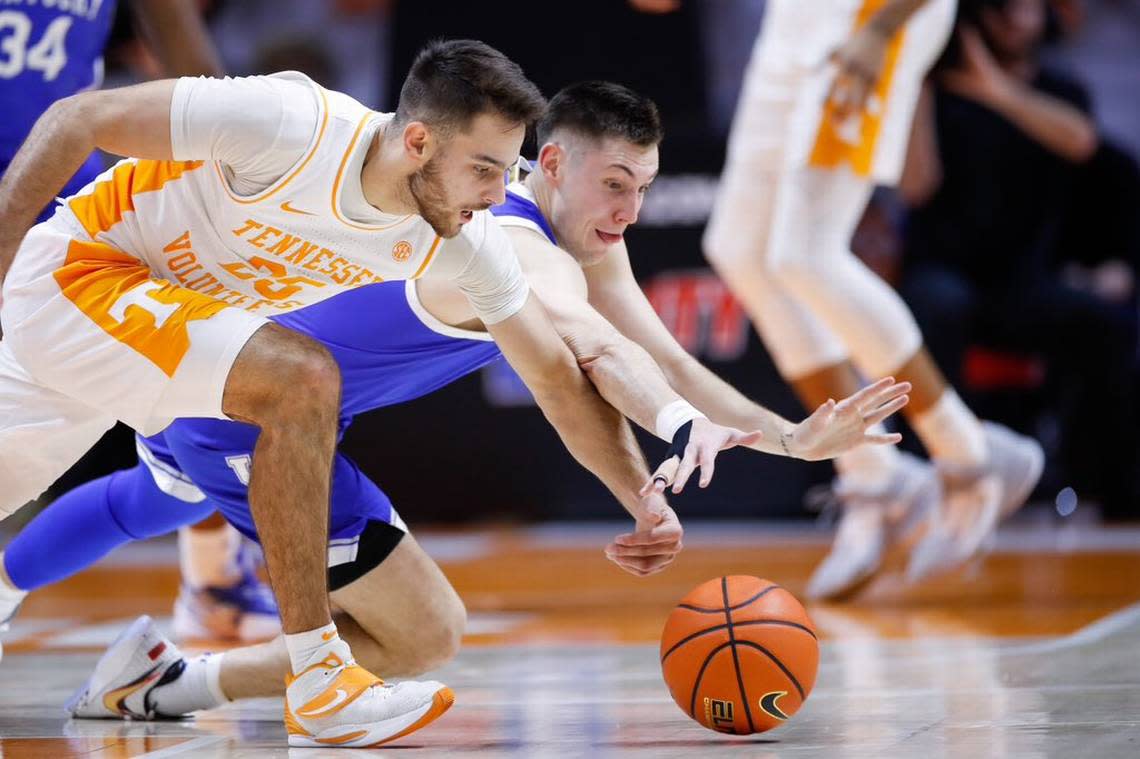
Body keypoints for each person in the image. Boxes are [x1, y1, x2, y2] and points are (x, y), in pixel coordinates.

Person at [5, 81, 909, 733]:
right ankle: (186, 684)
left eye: (645, 186)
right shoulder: (510, 241)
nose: (631, 210)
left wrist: (791, 439)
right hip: (257, 403)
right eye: (615, 185)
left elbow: (661, 356)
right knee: (423, 631)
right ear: (549, 164)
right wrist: (674, 427)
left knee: (148, 494)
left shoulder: (583, 244)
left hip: (247, 390)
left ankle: (107, 649)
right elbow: (598, 355)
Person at [697, 0, 1045, 596]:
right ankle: (875, 474)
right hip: (794, 22)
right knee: (740, 249)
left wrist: (883, 28)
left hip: (869, 19)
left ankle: (969, 454)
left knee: (806, 253)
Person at [0, 0, 277, 643]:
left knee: (212, 399)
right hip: (38, 199)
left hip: (63, 196)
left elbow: (201, 79)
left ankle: (214, 582)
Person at [899, 0, 1136, 519]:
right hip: (943, 273)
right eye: (1002, 9)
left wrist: (996, 90)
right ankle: (928, 482)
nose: (1015, 20)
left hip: (1021, 281)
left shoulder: (1059, 90)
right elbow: (916, 186)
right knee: (934, 308)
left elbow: (1082, 141)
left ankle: (1114, 492)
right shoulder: (932, 92)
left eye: (1026, 8)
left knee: (1108, 326)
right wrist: (916, 81)